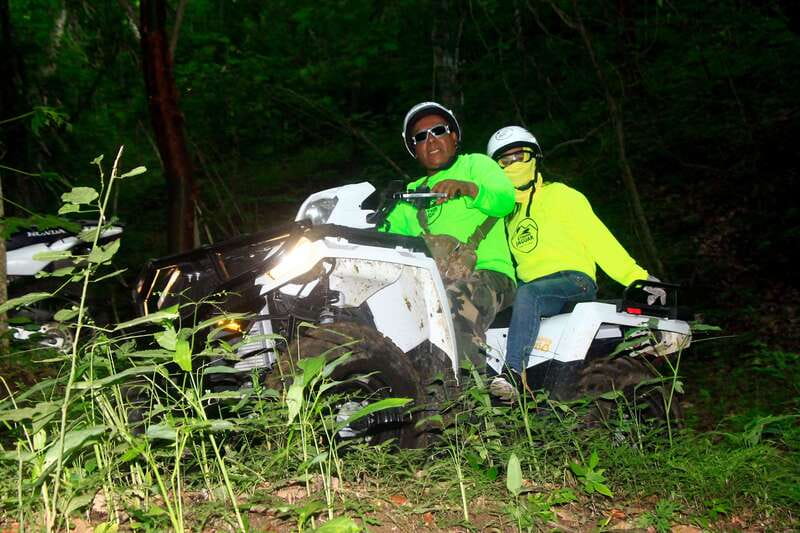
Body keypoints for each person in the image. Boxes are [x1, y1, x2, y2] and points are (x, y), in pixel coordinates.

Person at [485, 125, 665, 401]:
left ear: (534, 157)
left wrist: (636, 278)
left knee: (528, 293)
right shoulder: (504, 213)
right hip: (533, 288)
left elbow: (599, 240)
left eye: (519, 156)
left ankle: (512, 374)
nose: (513, 165)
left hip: (574, 281)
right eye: (504, 161)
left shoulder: (563, 196)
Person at [381, 102, 517, 370]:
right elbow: (386, 236)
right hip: (431, 284)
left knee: (453, 306)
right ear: (414, 149)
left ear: (453, 136)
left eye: (438, 130)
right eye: (420, 137)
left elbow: (505, 201)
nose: (430, 140)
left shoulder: (476, 164)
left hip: (490, 275)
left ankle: (470, 402)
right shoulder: (409, 192)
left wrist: (468, 188)